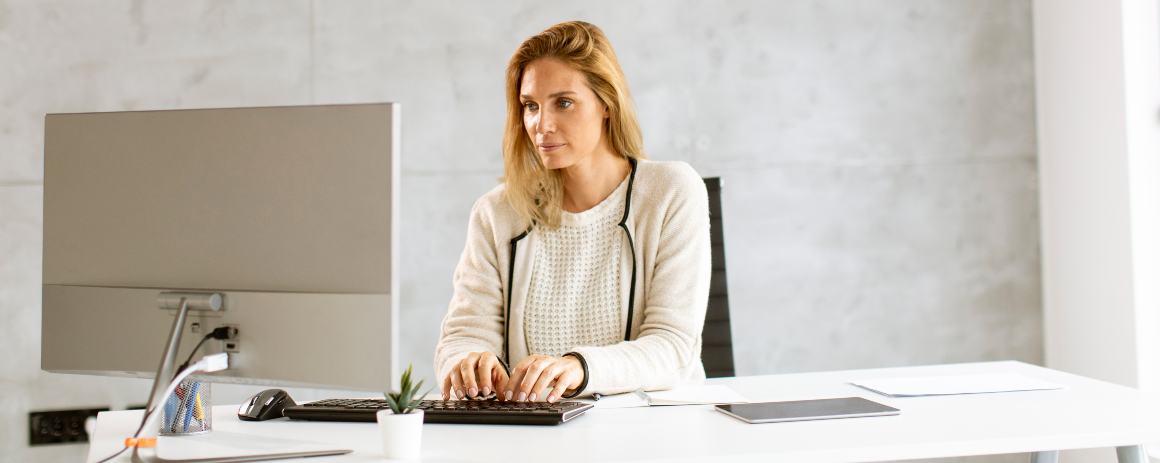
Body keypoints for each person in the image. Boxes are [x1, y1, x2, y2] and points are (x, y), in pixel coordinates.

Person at [434, 20, 711, 403]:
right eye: (530, 106)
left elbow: (673, 346)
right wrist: (467, 362)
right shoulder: (497, 212)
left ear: (606, 105)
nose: (541, 125)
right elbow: (463, 335)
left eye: (563, 102)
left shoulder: (672, 191)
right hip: (535, 436)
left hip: (650, 429)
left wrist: (580, 368)